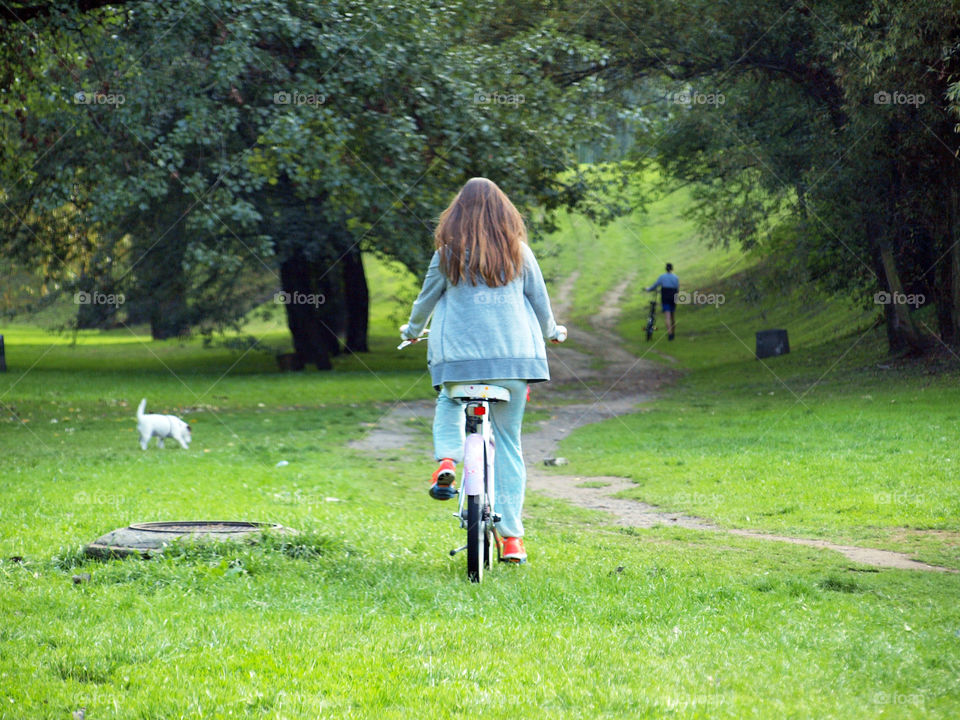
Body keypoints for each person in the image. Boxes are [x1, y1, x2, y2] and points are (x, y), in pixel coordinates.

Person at [401, 177, 565, 564]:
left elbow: (425, 302)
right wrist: (553, 333)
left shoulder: (447, 255)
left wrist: (410, 332)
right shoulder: (519, 253)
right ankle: (512, 541)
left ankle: (446, 461)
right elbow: (540, 304)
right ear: (504, 212)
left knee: (449, 400)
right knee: (509, 444)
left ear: (457, 214)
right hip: (514, 362)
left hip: (459, 363)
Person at [645, 262, 679, 340]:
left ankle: (669, 334)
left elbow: (655, 285)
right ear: (672, 269)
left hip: (665, 298)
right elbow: (677, 289)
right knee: (673, 317)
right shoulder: (676, 277)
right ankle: (673, 333)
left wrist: (648, 289)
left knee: (667, 317)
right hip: (673, 297)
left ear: (665, 269)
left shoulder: (662, 277)